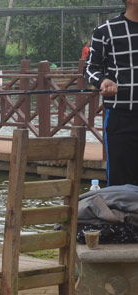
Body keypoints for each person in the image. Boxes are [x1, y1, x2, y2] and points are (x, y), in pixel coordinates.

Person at [85, 0, 138, 187]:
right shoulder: (105, 31)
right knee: (120, 183)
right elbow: (90, 68)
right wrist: (102, 81)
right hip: (120, 117)